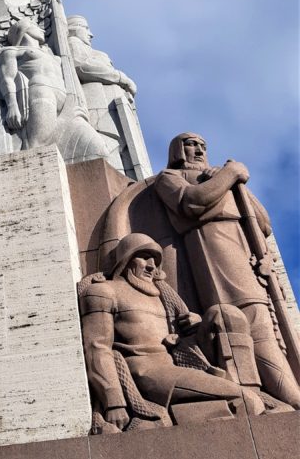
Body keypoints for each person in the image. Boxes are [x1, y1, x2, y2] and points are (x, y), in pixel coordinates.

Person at [154, 133, 300, 408]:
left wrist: (237, 182)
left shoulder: (221, 177)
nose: (198, 149)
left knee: (264, 331)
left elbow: (263, 225)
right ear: (177, 150)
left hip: (245, 257)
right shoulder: (169, 177)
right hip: (213, 253)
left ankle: (285, 397)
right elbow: (193, 203)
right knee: (242, 325)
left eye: (202, 146)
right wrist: (230, 174)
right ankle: (277, 398)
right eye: (191, 144)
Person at [80, 233, 265, 430]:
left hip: (176, 366)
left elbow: (178, 334)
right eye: (143, 256)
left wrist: (194, 324)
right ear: (125, 260)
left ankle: (240, 396)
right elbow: (96, 347)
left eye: (155, 260)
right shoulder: (103, 291)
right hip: (147, 372)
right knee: (244, 400)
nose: (152, 265)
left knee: (224, 313)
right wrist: (114, 400)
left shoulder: (164, 295)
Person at [0, 17, 110, 162]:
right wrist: (12, 106)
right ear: (24, 29)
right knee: (37, 147)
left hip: (67, 103)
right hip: (42, 92)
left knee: (98, 149)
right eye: (34, 25)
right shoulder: (13, 52)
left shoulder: (54, 55)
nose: (42, 29)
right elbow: (7, 78)